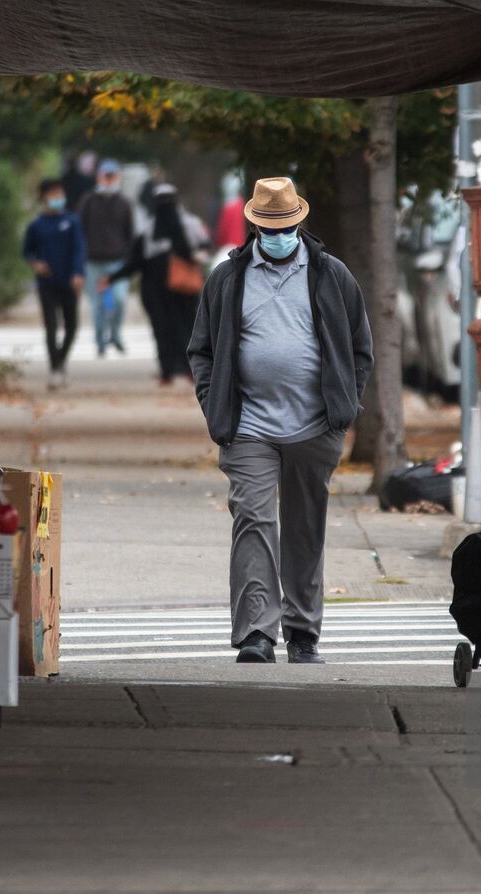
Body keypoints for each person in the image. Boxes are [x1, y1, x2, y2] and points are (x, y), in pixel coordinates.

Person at [188, 177, 372, 664]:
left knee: (304, 527)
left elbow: (359, 349)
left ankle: (303, 631)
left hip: (316, 426)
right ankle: (256, 633)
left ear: (299, 222)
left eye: (286, 225)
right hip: (248, 425)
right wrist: (215, 406)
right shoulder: (227, 278)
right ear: (253, 225)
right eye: (269, 226)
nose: (279, 233)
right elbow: (201, 349)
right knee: (253, 517)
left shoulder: (332, 275)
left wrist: (344, 409)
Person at [102, 184, 210, 384]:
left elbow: (204, 249)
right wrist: (112, 278)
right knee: (163, 329)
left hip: (180, 289)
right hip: (157, 291)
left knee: (185, 328)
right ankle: (167, 371)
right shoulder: (148, 229)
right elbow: (135, 261)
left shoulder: (190, 225)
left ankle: (187, 370)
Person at [22, 178, 86, 390]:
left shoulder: (72, 221)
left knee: (72, 326)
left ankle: (60, 359)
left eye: (60, 194)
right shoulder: (36, 225)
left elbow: (79, 248)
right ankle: (55, 368)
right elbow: (27, 251)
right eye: (53, 194)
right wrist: (35, 263)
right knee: (50, 326)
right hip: (46, 283)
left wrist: (78, 273)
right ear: (43, 198)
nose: (58, 198)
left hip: (69, 281)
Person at [77, 159, 135, 356]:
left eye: (113, 176)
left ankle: (116, 334)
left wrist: (129, 261)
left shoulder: (124, 203)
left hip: (117, 261)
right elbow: (79, 230)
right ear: (99, 177)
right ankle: (100, 338)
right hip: (93, 261)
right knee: (97, 304)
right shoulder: (88, 201)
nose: (109, 180)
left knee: (119, 299)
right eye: (106, 176)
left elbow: (130, 234)